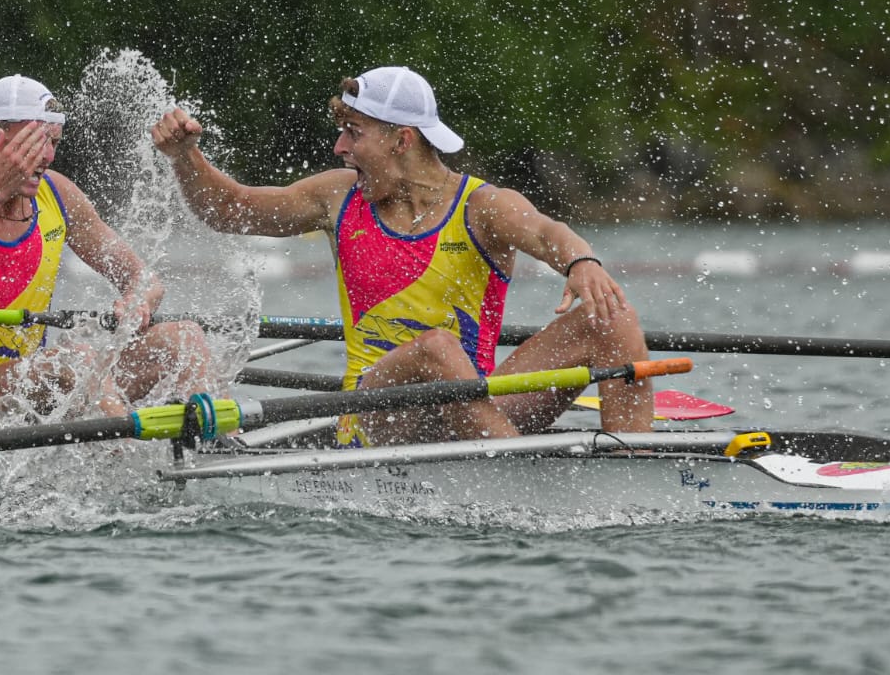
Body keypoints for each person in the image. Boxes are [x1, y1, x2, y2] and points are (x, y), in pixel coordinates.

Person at [151, 66, 653, 444]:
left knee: (612, 317)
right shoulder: (337, 197)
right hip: (376, 414)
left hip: (472, 406)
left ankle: (635, 468)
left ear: (402, 140)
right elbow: (230, 210)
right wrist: (185, 157)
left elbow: (547, 232)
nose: (339, 146)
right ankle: (512, 469)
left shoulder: (482, 206)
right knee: (436, 348)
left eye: (354, 132)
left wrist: (582, 262)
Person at [0, 74, 215, 436]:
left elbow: (145, 279)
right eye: (36, 140)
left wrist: (137, 301)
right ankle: (128, 454)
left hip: (39, 392)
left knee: (184, 339)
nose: (48, 156)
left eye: (53, 142)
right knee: (73, 361)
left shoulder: (56, 194)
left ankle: (221, 447)